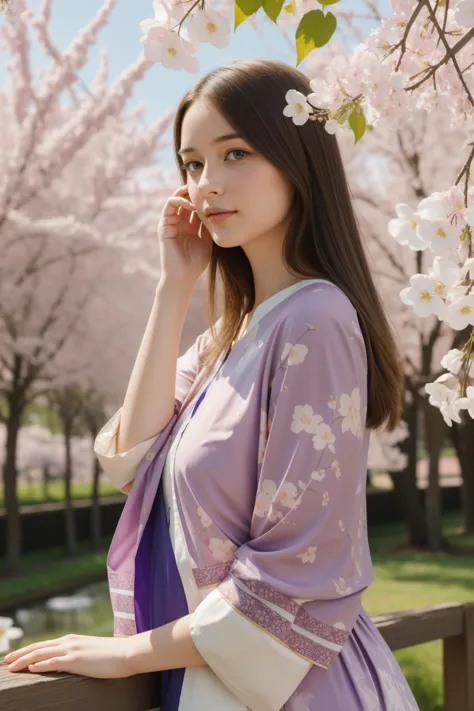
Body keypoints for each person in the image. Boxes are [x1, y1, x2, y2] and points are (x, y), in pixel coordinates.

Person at [4, 58, 418, 710]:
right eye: (192, 164)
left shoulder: (316, 319)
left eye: (235, 153)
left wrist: (126, 652)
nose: (207, 184)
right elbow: (130, 459)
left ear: (296, 158)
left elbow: (299, 566)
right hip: (206, 676)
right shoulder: (234, 332)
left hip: (291, 690)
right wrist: (174, 289)